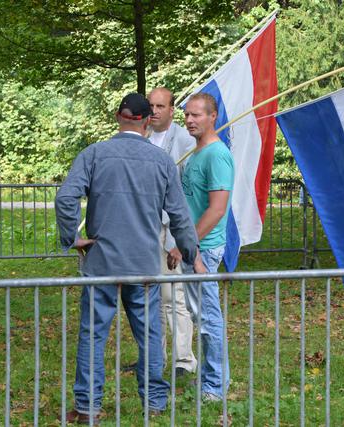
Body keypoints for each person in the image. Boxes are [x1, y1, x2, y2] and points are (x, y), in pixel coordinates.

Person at [55, 92, 205, 424]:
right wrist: (190, 253)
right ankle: (153, 403)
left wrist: (72, 238)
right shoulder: (162, 161)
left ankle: (88, 407)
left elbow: (67, 197)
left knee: (93, 334)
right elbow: (179, 214)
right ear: (146, 120)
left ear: (117, 116)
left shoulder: (94, 153)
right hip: (143, 264)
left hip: (102, 262)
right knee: (150, 335)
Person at [176, 92, 234, 402]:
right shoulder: (196, 154)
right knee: (201, 317)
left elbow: (216, 209)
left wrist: (192, 248)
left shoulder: (216, 155)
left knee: (209, 319)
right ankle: (212, 379)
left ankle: (216, 386)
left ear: (213, 117)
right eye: (187, 115)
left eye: (196, 115)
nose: (189, 120)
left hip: (205, 251)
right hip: (192, 249)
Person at [148, 87, 198, 377]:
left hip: (170, 226)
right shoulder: (141, 136)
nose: (154, 111)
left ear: (171, 109)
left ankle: (183, 359)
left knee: (174, 296)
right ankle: (154, 356)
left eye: (160, 106)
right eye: (151, 106)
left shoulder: (183, 139)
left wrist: (181, 235)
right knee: (148, 294)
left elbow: (187, 190)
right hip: (145, 226)